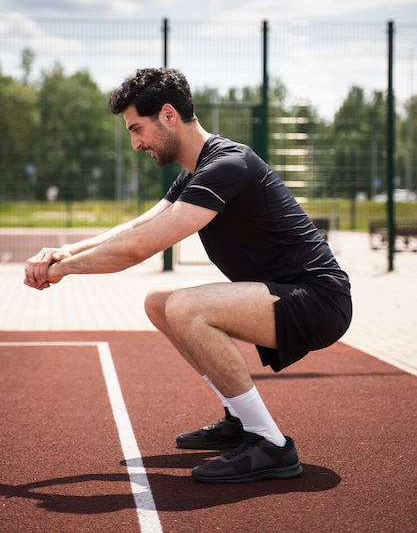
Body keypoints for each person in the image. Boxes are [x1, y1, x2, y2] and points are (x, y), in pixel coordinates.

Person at [24, 67, 352, 484]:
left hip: (318, 301)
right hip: (284, 295)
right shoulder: (195, 173)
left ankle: (271, 444)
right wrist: (64, 251)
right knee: (159, 301)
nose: (136, 143)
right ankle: (239, 419)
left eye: (137, 129)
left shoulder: (228, 164)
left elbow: (138, 249)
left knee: (186, 308)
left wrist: (61, 272)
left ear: (167, 115)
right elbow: (135, 228)